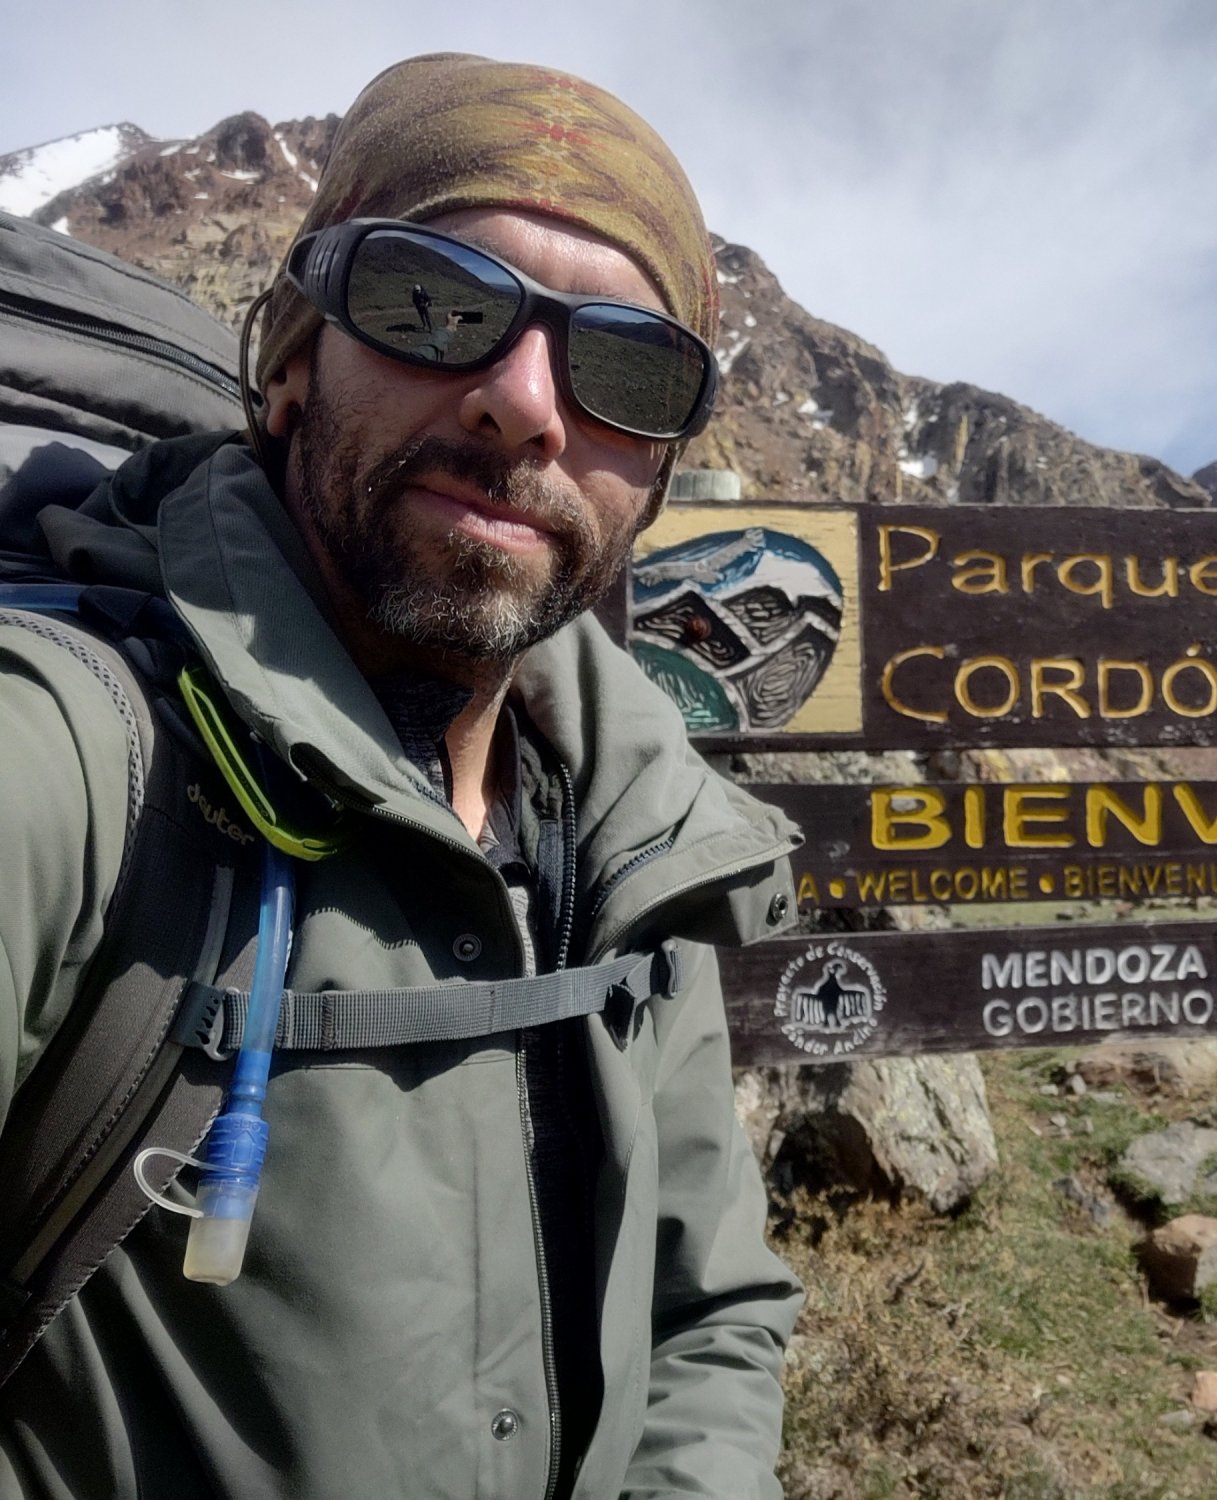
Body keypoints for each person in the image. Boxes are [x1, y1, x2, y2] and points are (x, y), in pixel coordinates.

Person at [0, 53, 803, 1500]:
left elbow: (709, 1316)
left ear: (656, 481)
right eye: (436, 302)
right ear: (294, 357)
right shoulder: (65, 757)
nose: (526, 403)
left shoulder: (636, 842)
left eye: (627, 368)